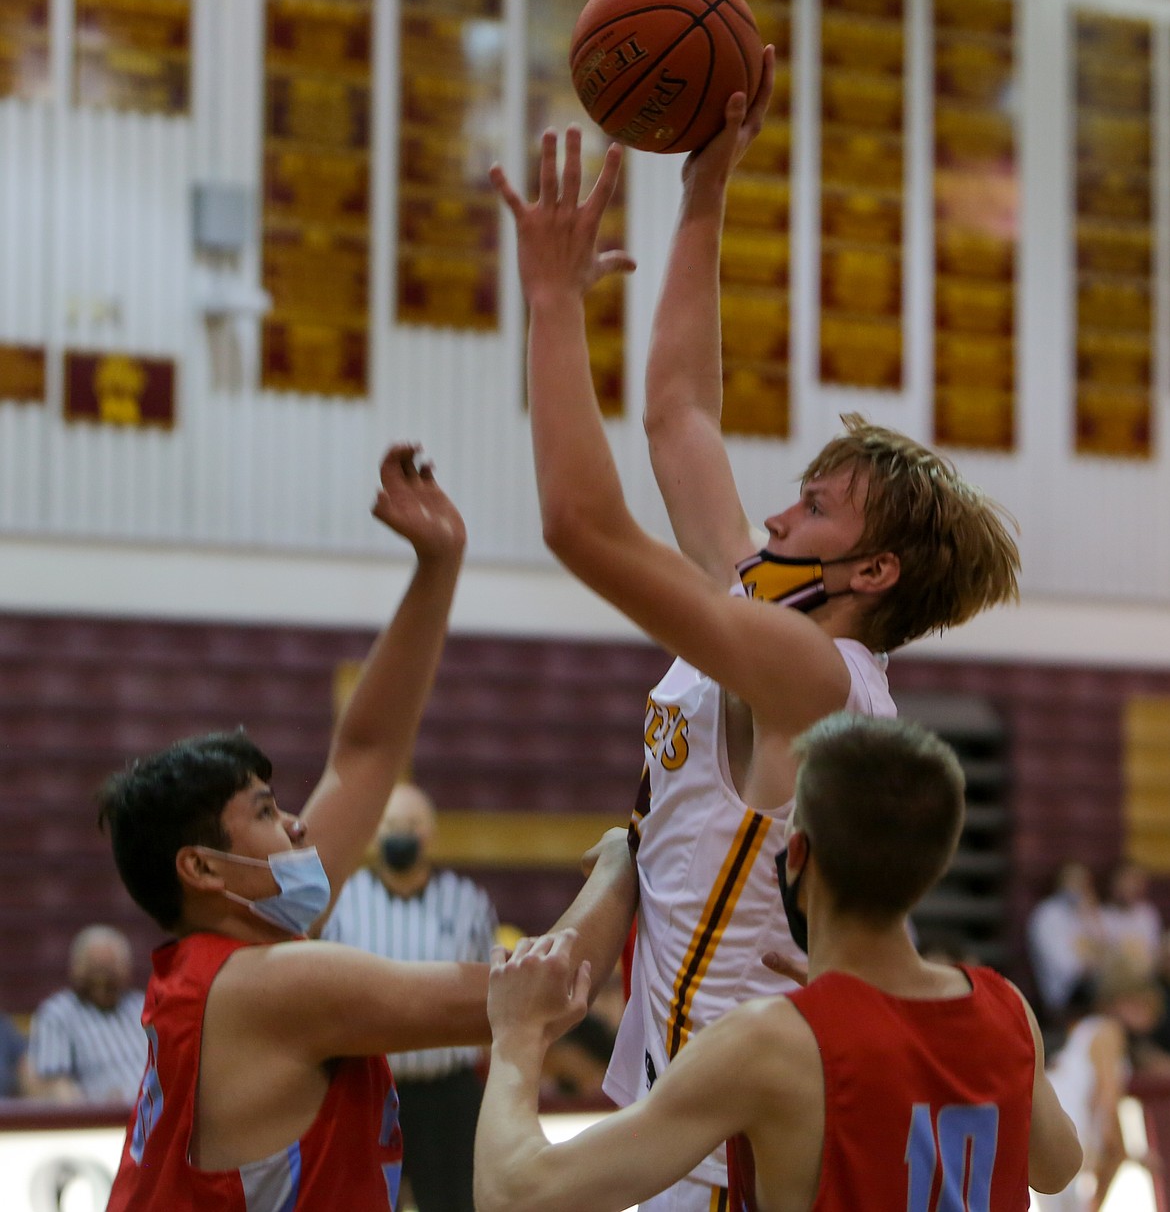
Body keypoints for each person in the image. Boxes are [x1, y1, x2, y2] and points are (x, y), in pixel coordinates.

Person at [490, 82, 1021, 1206]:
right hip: (683, 1106)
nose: (778, 517)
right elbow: (680, 414)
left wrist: (550, 304)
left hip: (729, 1137)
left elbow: (581, 527)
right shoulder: (775, 628)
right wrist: (706, 186)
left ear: (869, 575)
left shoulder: (813, 675)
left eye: (816, 508)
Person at [97, 444, 637, 1212]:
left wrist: (437, 566)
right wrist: (632, 858)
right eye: (264, 813)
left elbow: (366, 753)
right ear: (204, 869)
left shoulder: (231, 962)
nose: (294, 822)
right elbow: (539, 991)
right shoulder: (277, 984)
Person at [474, 712, 1082, 1212]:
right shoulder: (1006, 1009)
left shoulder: (771, 1046)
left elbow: (517, 1194)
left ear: (797, 855)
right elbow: (1058, 1169)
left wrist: (516, 1038)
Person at [321, 781, 498, 1212]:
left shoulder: (468, 902)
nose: (401, 833)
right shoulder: (343, 901)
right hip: (366, 1087)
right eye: (392, 824)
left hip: (447, 1094)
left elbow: (490, 998)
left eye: (412, 824)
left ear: (431, 834)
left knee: (458, 1204)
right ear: (375, 833)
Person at [1034, 958, 1163, 1212]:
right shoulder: (1108, 1030)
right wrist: (1122, 1147)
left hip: (1051, 1124)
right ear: (1118, 1001)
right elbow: (1107, 1093)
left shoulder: (1092, 1031)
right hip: (1064, 1125)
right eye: (1138, 1004)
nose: (1146, 1012)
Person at [25, 924, 147, 1105]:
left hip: (157, 1113)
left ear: (126, 970)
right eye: (95, 970)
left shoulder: (143, 1006)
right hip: (101, 1120)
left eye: (109, 971)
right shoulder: (57, 1013)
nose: (102, 981)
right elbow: (56, 1084)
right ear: (75, 968)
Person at [1028, 862, 1110, 1019]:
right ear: (1061, 881)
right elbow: (1063, 966)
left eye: (1083, 881)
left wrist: (1092, 917)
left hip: (1091, 984)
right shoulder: (1047, 914)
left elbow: (1107, 949)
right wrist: (1093, 966)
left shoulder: (1087, 912)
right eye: (1073, 880)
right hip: (1065, 991)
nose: (1078, 886)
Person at [1100, 860, 1162, 977]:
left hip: (1147, 977)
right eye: (1128, 881)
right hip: (1114, 979)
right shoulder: (1101, 915)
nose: (1133, 887)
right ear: (1114, 885)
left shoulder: (1148, 912)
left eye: (1138, 882)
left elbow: (1155, 952)